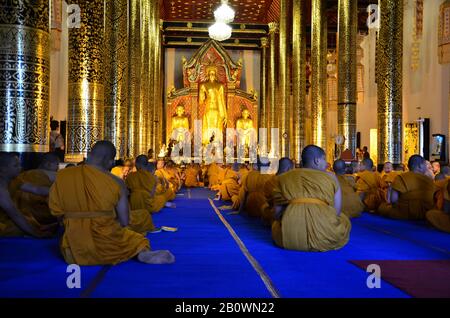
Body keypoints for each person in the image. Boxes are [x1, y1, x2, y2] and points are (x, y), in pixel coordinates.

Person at [49, 141, 175, 265]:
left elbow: (56, 211)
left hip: (73, 248)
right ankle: (141, 253)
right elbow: (124, 221)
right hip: (107, 242)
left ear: (88, 154)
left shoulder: (63, 176)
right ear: (110, 162)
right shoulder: (116, 182)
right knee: (138, 240)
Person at [271, 145, 351, 251]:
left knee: (276, 225)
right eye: (324, 159)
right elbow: (336, 210)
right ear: (317, 160)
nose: (326, 163)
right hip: (325, 235)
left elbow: (277, 213)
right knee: (345, 221)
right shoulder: (331, 177)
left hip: (290, 238)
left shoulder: (284, 177)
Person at [0, 152, 54, 237]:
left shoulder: (14, 180)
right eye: (15, 166)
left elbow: (37, 189)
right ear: (3, 169)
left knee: (28, 218)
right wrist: (37, 234)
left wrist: (59, 191)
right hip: (4, 221)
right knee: (17, 228)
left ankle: (38, 228)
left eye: (19, 165)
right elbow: (13, 212)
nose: (20, 168)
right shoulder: (1, 188)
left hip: (7, 218)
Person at [377, 155, 435, 220]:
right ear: (420, 166)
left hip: (403, 212)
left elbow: (393, 200)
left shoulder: (401, 177)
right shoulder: (429, 180)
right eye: (425, 165)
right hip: (423, 212)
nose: (427, 168)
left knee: (382, 207)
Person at [9, 153, 60, 226]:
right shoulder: (45, 174)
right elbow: (10, 209)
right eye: (57, 164)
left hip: (25, 214)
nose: (20, 168)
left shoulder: (20, 179)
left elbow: (36, 189)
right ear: (48, 164)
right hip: (31, 215)